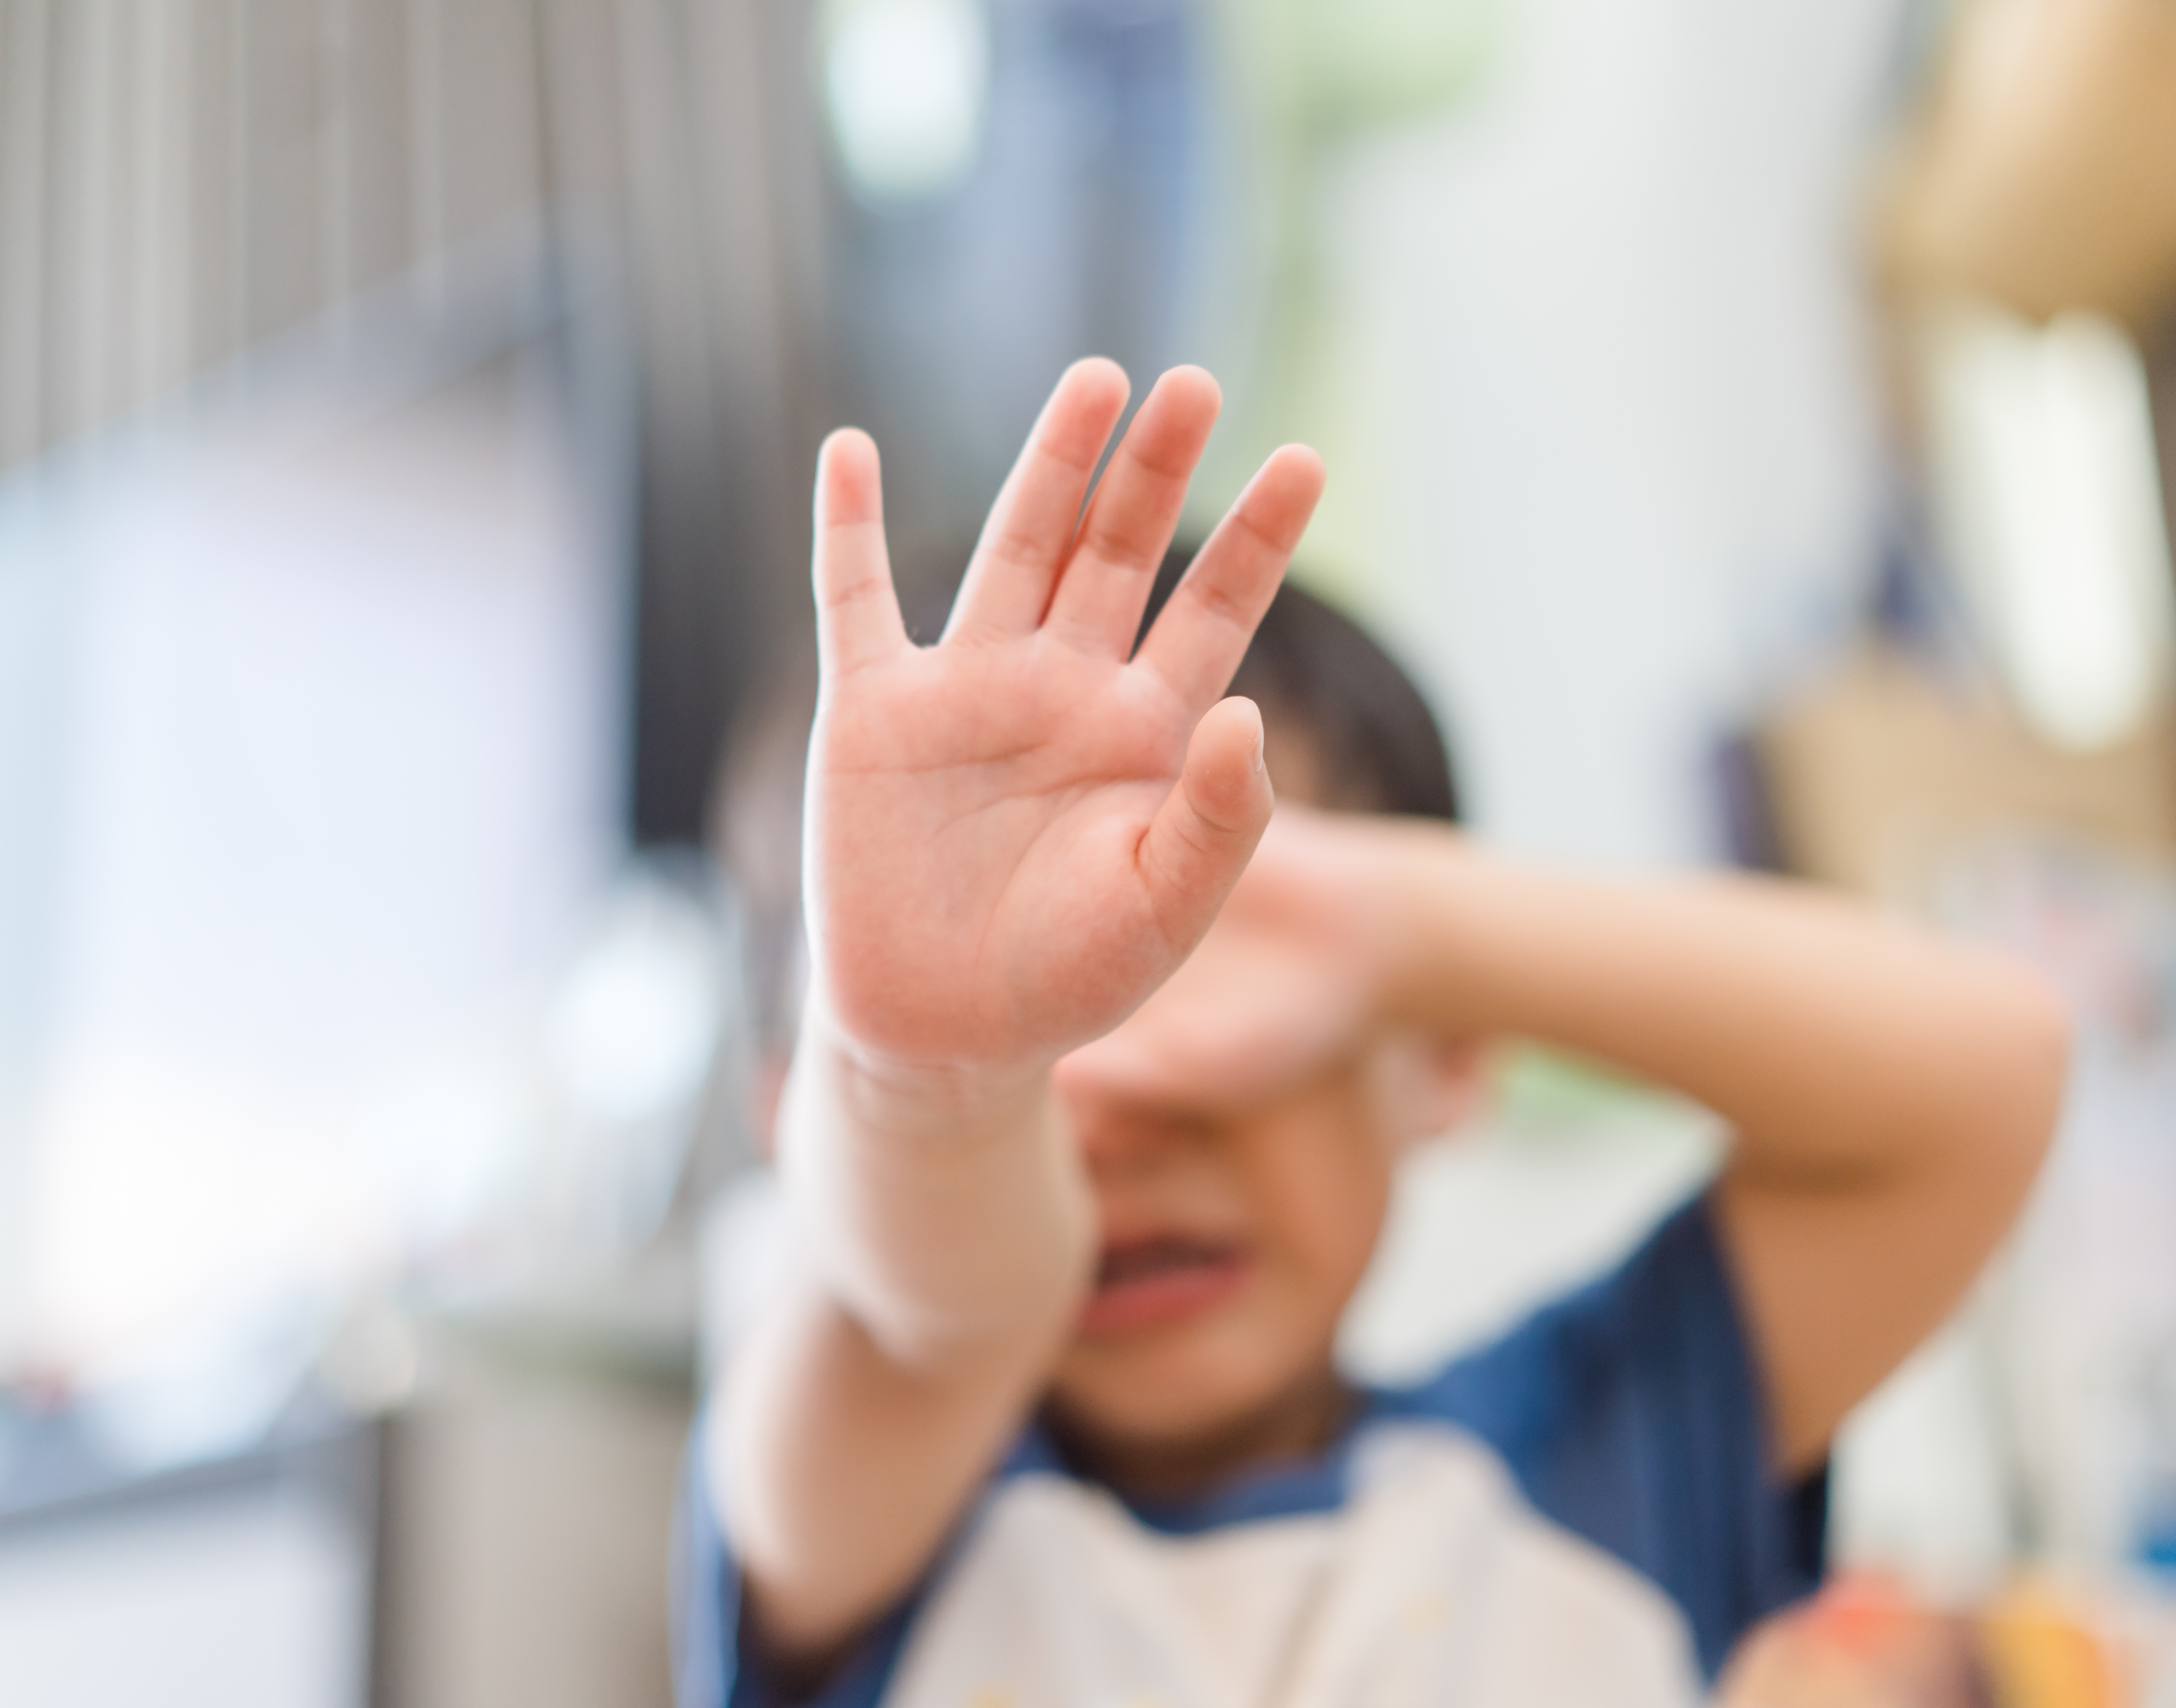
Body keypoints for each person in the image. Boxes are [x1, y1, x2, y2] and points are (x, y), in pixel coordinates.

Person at [684, 359, 2070, 1707]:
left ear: (1447, 1054)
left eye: (1199, 973)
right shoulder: (862, 1505)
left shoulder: (1594, 1466)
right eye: (1036, 1057)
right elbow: (939, 1307)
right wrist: (930, 1086)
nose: (1120, 1099)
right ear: (789, 1123)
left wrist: (1397, 928)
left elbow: (1985, 1077)